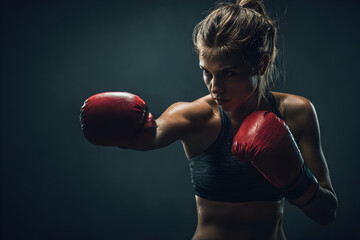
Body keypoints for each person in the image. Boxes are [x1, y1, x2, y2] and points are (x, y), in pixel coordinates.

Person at [80, 0, 338, 239]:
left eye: (228, 73)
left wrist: (297, 180)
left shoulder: (297, 113)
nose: (215, 87)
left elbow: (326, 213)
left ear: (261, 65)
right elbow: (151, 135)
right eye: (207, 73)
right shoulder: (197, 116)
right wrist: (130, 130)